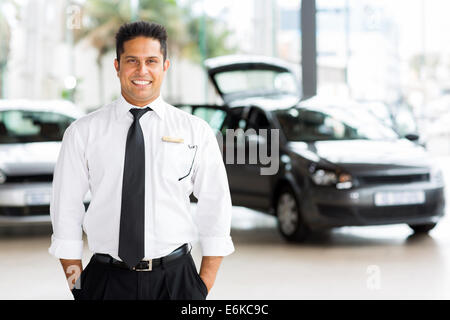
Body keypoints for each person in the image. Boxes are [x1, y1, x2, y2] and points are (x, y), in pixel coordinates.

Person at [48, 21, 234, 300]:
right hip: (106, 279)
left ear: (165, 66)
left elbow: (216, 205)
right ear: (117, 66)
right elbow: (65, 211)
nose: (142, 70)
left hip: (176, 279)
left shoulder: (195, 131)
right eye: (132, 60)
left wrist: (201, 286)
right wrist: (78, 288)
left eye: (151, 61)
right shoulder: (83, 132)